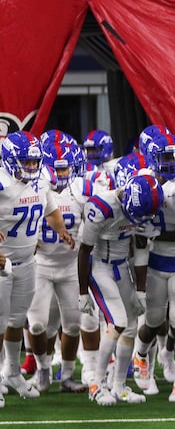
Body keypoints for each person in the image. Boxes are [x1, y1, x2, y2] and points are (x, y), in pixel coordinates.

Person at [0, 132, 74, 407]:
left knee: (17, 320)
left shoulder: (41, 181)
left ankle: (12, 371)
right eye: (25, 162)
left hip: (28, 262)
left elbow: (50, 210)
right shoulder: (1, 183)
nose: (31, 167)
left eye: (34, 162)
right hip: (3, 263)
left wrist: (62, 231)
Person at [78, 171, 164, 406]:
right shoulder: (102, 206)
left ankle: (119, 386)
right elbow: (84, 250)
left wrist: (141, 290)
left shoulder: (145, 207)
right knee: (117, 322)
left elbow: (141, 248)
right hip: (99, 266)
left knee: (131, 327)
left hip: (121, 268)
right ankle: (96, 384)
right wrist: (83, 291)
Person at [133, 131, 175, 402]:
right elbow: (137, 229)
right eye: (165, 157)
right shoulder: (142, 179)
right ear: (151, 157)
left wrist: (155, 233)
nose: (173, 161)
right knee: (151, 321)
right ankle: (142, 359)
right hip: (153, 260)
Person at [26, 138, 88, 394]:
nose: (63, 173)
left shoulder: (82, 188)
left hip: (71, 266)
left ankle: (67, 375)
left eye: (66, 168)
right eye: (58, 168)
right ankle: (42, 369)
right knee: (38, 324)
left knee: (73, 325)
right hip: (41, 265)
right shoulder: (34, 188)